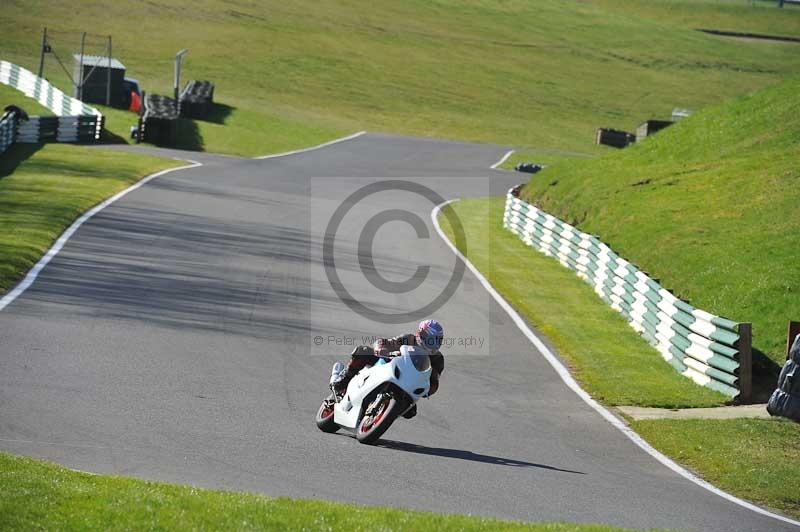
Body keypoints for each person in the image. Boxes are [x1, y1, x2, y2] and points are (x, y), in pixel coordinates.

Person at [332, 319, 445, 418]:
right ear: (420, 334)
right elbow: (384, 342)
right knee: (363, 351)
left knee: (410, 412)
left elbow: (434, 380)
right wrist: (381, 349)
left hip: (409, 384)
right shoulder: (408, 339)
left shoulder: (438, 359)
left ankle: (382, 415)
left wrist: (428, 390)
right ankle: (343, 379)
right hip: (388, 366)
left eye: (437, 340)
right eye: (430, 339)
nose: (433, 343)